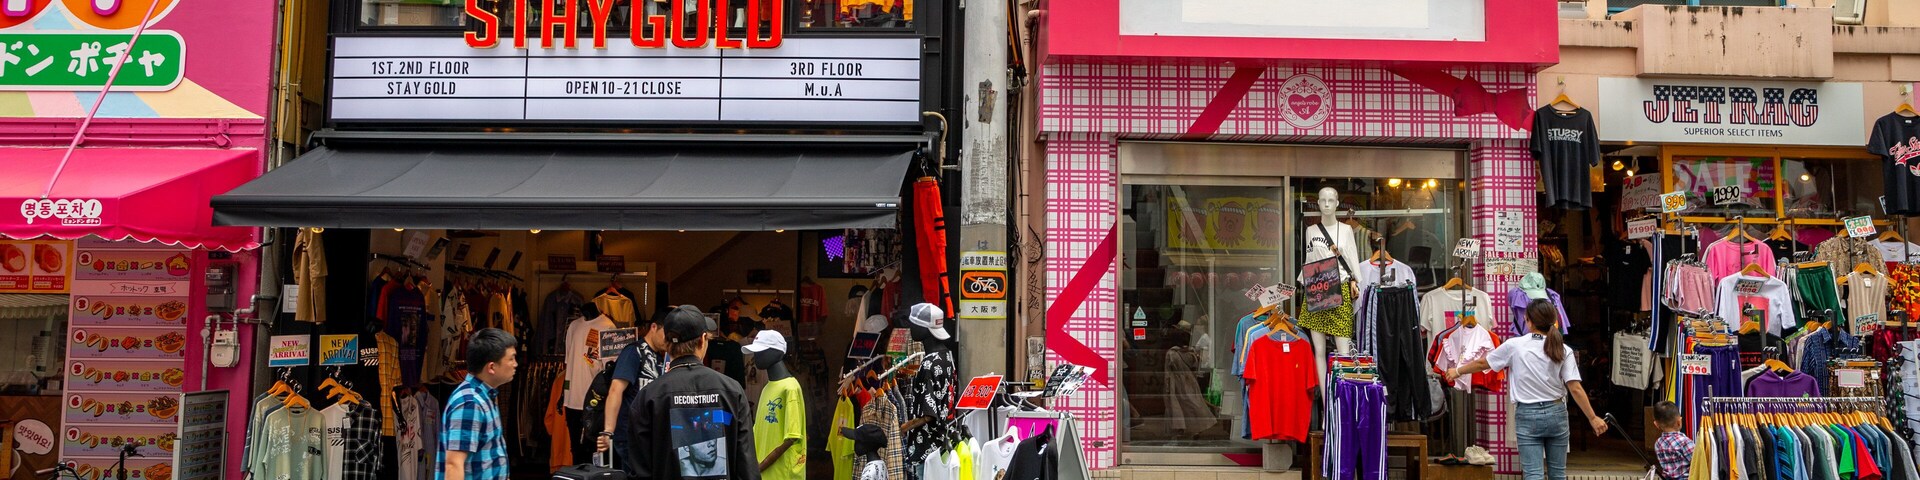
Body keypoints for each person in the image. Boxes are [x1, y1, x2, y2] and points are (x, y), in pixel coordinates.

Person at [1444, 299, 1605, 480]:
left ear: (1528, 321)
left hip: (1528, 415)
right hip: (1557, 414)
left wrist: (1457, 371)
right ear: (1554, 320)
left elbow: (1483, 363)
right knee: (1558, 474)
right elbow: (1575, 388)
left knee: (1533, 475)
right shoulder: (1563, 349)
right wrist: (1593, 417)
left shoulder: (1515, 345)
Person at [627, 305, 759, 480]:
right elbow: (747, 468)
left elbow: (639, 471)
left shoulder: (648, 397)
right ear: (703, 339)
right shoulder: (732, 391)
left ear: (666, 343)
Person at [435, 328, 518, 480]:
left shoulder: (484, 395)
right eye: (511, 359)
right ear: (491, 367)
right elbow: (454, 464)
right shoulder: (470, 403)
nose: (515, 364)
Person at [598, 308, 671, 471]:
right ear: (654, 327)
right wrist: (608, 430)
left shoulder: (664, 357)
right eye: (666, 334)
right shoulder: (633, 352)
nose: (668, 340)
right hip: (630, 434)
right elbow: (616, 390)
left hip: (652, 435)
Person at [1651, 401, 1692, 480]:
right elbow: (1697, 462)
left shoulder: (1658, 443)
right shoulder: (1685, 442)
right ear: (1679, 422)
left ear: (1656, 424)